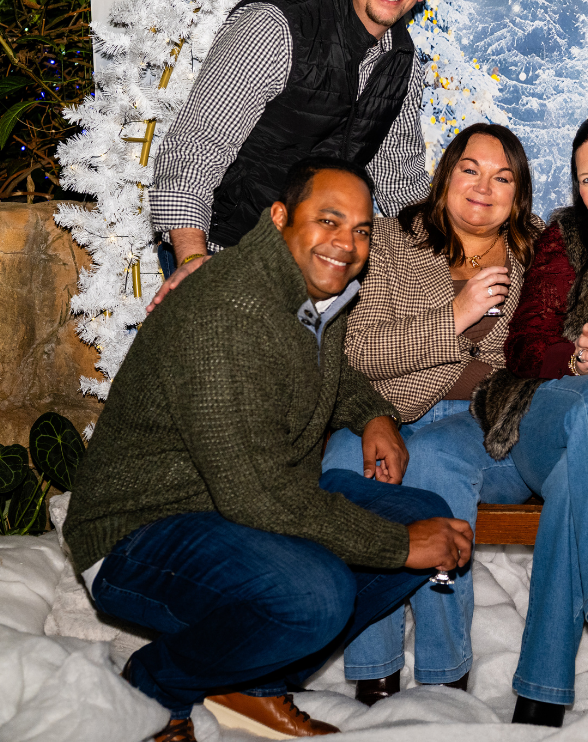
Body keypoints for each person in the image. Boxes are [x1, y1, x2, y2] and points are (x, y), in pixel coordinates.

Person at [63, 158, 474, 742]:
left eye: (361, 229)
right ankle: (158, 684)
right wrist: (397, 546)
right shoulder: (227, 311)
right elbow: (259, 497)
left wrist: (373, 413)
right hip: (142, 529)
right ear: (281, 217)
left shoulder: (305, 289)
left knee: (424, 514)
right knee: (317, 595)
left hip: (240, 504)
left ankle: (250, 681)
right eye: (328, 220)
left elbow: (322, 371)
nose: (347, 243)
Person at [401, 111, 588, 727]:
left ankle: (539, 696)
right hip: (552, 407)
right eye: (585, 178)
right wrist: (573, 354)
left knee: (581, 471)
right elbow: (524, 344)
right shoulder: (568, 239)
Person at [320, 123, 543, 703]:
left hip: (481, 426)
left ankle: (446, 674)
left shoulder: (539, 255)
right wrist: (455, 316)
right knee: (349, 467)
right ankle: (375, 667)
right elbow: (357, 349)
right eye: (470, 169)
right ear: (445, 175)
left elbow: (546, 352)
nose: (483, 186)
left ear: (519, 193)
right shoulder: (393, 243)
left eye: (503, 176)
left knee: (437, 464)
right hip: (381, 413)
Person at [148, 0, 436, 311]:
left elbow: (397, 184)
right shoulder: (276, 27)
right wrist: (195, 260)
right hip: (225, 249)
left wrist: (462, 255)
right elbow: (196, 148)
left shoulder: (403, 65)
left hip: (312, 271)